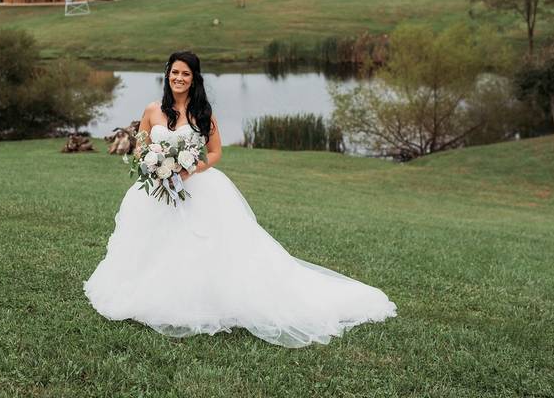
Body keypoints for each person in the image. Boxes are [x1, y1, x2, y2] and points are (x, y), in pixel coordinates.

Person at [83, 50, 397, 347]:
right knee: (152, 242)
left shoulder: (202, 112)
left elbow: (217, 151)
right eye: (174, 72)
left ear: (194, 78)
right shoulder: (152, 110)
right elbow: (141, 144)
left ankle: (203, 298)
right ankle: (146, 291)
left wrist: (190, 170)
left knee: (205, 244)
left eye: (185, 73)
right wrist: (150, 162)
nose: (179, 78)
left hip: (196, 188)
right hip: (155, 189)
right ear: (167, 75)